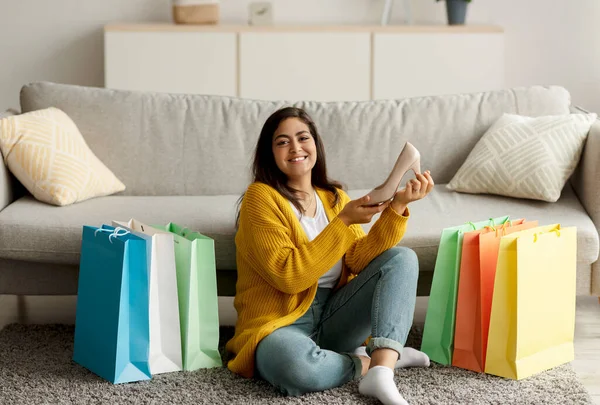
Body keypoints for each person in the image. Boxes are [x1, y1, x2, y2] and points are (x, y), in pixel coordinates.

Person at [225, 106, 434, 405]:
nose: (295, 148)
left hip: (335, 315)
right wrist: (344, 223)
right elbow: (288, 276)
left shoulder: (334, 199)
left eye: (303, 138)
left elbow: (359, 261)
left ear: (316, 145)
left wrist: (397, 206)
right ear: (269, 153)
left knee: (402, 258)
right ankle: (370, 363)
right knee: (295, 367)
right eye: (282, 142)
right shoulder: (261, 198)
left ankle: (382, 372)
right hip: (280, 323)